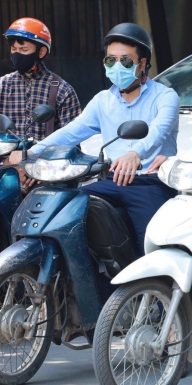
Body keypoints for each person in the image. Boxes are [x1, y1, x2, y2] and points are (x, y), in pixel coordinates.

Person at [29, 23, 179, 247]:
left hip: (150, 182)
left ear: (143, 63)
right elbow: (72, 131)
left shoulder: (165, 96)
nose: (117, 66)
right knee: (66, 209)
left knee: (153, 246)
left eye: (125, 60)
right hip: (111, 180)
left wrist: (134, 153)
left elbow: (159, 130)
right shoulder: (102, 100)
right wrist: (31, 151)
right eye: (111, 60)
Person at [0, 18, 81, 191]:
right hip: (3, 171)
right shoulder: (2, 85)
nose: (17, 54)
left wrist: (36, 168)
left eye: (23, 50)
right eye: (14, 49)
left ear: (41, 52)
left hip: (46, 174)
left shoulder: (61, 90)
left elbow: (73, 141)